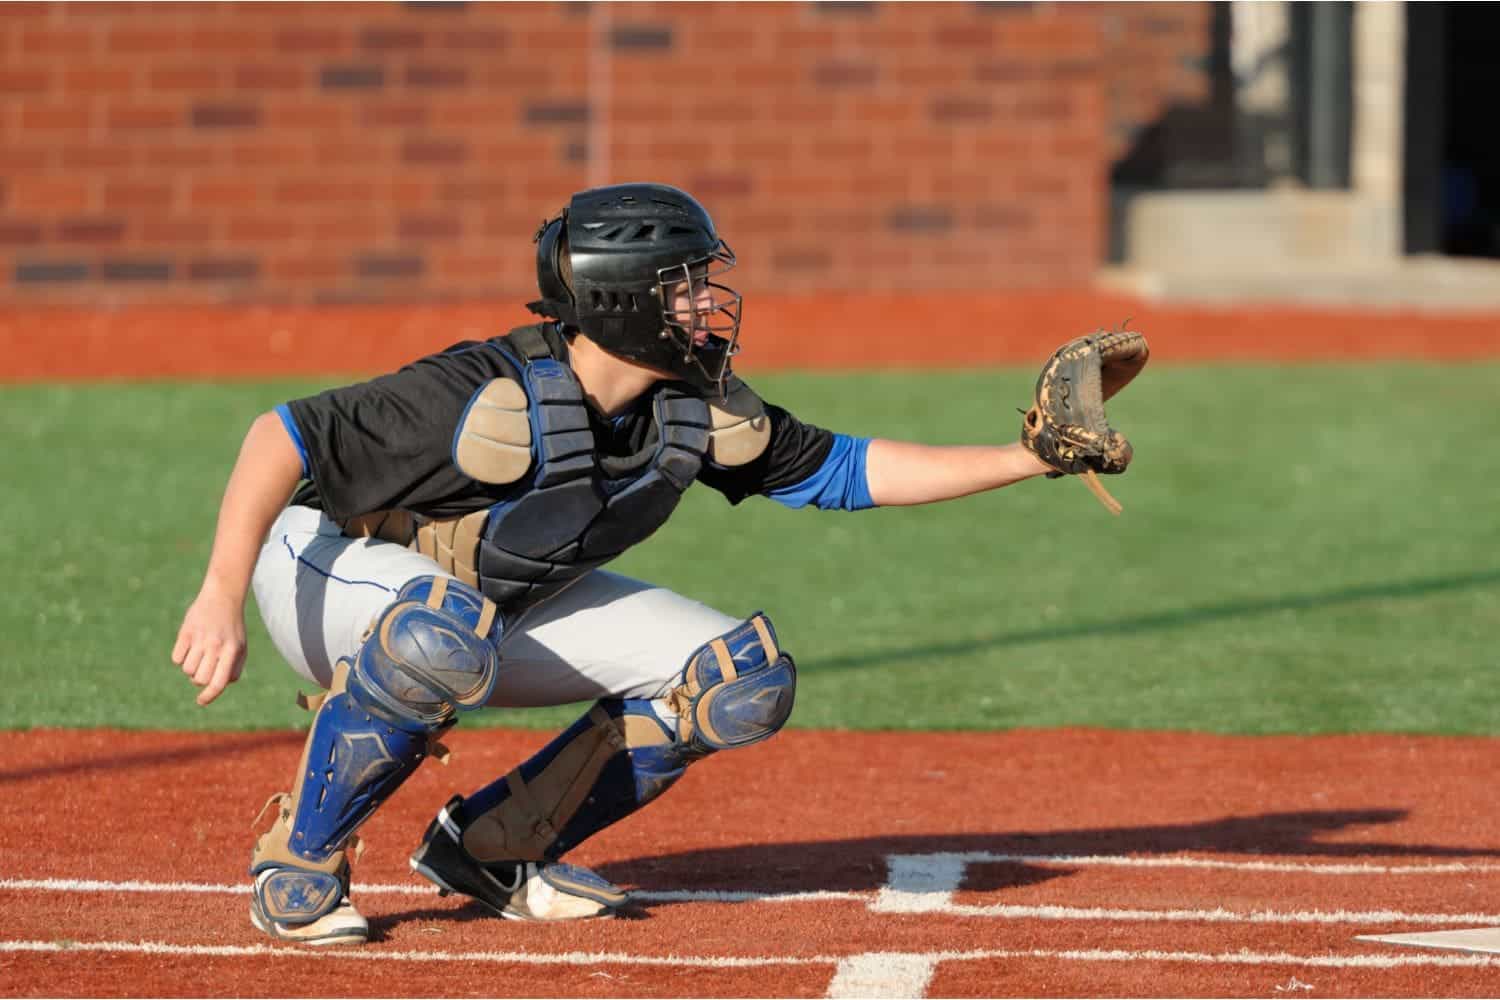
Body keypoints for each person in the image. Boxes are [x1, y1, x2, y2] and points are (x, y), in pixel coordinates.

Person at [170, 182, 1090, 946]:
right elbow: (284, 434)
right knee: (438, 636)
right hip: (326, 571)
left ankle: (494, 849)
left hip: (484, 606)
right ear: (624, 298)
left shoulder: (697, 407)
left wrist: (1033, 458)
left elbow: (848, 471)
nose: (708, 302)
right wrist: (219, 594)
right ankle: (299, 861)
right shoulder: (483, 393)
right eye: (686, 285)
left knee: (736, 680)